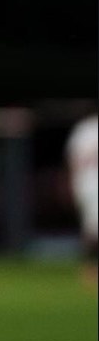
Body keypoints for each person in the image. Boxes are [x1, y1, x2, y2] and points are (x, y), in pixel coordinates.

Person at [65, 111, 98, 288]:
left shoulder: (84, 130)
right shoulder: (85, 130)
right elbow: (75, 161)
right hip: (89, 186)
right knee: (92, 229)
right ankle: (89, 267)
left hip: (86, 186)